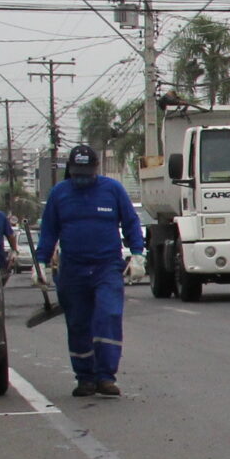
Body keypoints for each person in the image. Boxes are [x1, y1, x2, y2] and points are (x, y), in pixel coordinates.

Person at [34, 145, 145, 397]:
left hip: (106, 267)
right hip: (73, 270)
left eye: (86, 171)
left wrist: (138, 254)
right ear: (70, 171)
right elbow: (49, 231)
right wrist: (40, 262)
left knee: (108, 316)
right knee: (78, 324)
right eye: (77, 171)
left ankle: (106, 376)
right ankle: (85, 377)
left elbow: (131, 222)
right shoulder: (59, 194)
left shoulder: (112, 190)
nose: (82, 176)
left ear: (95, 169)